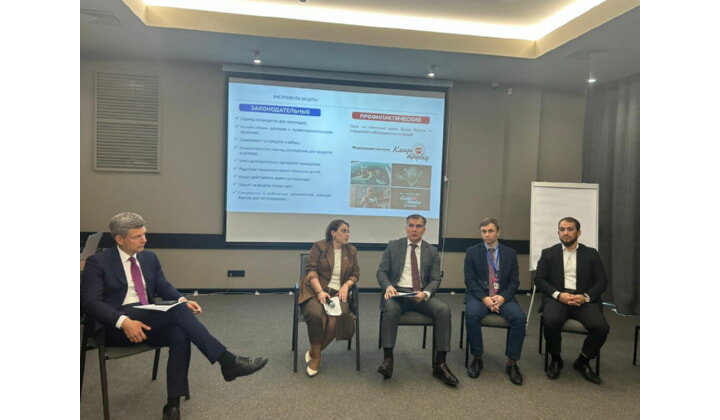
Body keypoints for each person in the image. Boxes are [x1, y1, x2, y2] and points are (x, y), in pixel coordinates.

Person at [80, 212, 268, 420]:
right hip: (116, 325)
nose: (144, 240)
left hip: (147, 317)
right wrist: (124, 322)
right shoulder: (98, 262)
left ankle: (172, 406)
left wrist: (181, 300)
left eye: (144, 234)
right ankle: (228, 362)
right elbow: (91, 303)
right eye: (137, 236)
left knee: (180, 332)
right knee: (178, 312)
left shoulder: (149, 258)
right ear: (119, 239)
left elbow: (163, 286)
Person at [376, 214, 458, 386]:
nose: (414, 229)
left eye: (418, 226)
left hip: (421, 294)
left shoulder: (431, 251)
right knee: (390, 309)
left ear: (424, 230)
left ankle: (440, 364)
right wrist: (388, 286)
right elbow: (381, 271)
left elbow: (435, 278)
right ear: (406, 228)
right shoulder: (393, 246)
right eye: (411, 225)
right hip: (398, 293)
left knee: (443, 310)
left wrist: (426, 293)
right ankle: (388, 360)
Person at [534, 216, 609, 385]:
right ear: (558, 232)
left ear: (578, 233)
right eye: (562, 229)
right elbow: (539, 279)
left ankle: (583, 361)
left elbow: (602, 281)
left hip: (583, 300)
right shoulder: (548, 253)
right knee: (550, 322)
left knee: (601, 328)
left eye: (570, 229)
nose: (565, 233)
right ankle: (556, 358)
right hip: (558, 299)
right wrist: (558, 294)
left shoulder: (591, 254)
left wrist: (585, 297)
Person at [464, 218, 525, 385]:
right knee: (472, 315)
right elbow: (469, 280)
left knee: (519, 318)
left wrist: (503, 297)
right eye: (483, 231)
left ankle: (512, 363)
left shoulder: (510, 253)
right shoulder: (472, 251)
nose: (487, 235)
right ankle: (477, 358)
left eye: (490, 231)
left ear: (498, 232)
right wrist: (484, 298)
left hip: (503, 297)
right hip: (480, 296)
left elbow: (515, 281)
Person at [298, 219, 360, 377]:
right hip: (315, 290)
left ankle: (314, 351)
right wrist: (319, 291)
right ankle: (317, 358)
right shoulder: (319, 246)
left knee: (336, 320)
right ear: (333, 233)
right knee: (318, 316)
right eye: (344, 231)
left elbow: (355, 274)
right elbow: (311, 271)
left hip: (338, 293)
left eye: (348, 231)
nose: (347, 234)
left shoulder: (351, 251)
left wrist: (346, 285)